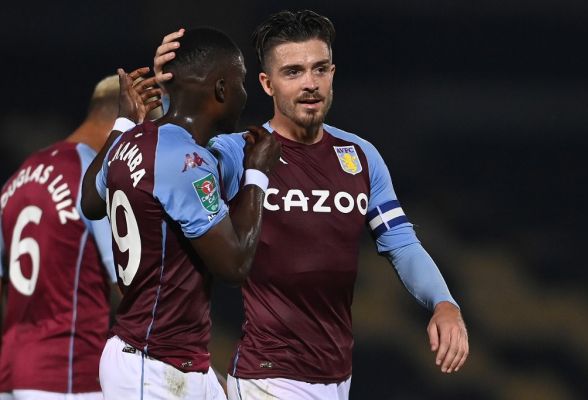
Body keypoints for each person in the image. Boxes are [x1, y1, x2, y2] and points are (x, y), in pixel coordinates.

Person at [154, 10, 469, 400]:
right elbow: (170, 169)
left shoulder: (360, 156)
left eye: (319, 69)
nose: (310, 84)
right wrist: (170, 98)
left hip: (337, 376)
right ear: (267, 84)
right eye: (293, 72)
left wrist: (444, 303)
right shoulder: (237, 152)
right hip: (267, 375)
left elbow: (400, 242)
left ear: (333, 73)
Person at [80, 27, 280, 400]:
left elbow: (90, 202)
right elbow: (234, 265)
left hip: (170, 356)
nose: (245, 94)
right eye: (241, 83)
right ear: (221, 89)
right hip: (152, 364)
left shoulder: (135, 137)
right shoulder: (186, 161)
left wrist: (124, 122)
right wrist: (256, 177)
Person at [0, 75, 124, 400]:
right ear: (123, 120)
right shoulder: (91, 178)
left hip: (12, 369)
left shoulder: (19, 176)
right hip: (67, 372)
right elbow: (126, 282)